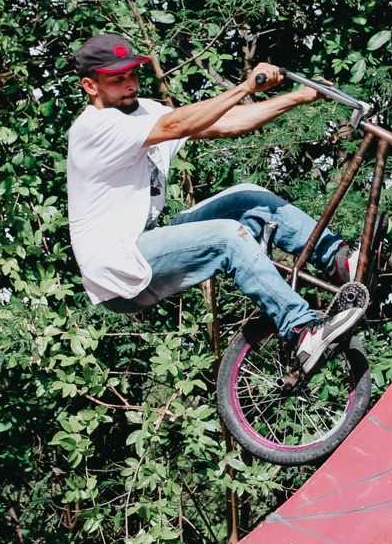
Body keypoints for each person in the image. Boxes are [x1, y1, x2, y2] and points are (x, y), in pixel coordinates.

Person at [65, 32, 366, 372]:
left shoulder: (143, 112)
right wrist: (245, 87)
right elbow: (177, 124)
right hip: (117, 269)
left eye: (133, 74)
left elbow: (226, 122)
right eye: (117, 80)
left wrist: (298, 97)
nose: (130, 84)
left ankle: (339, 261)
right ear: (90, 86)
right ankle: (302, 330)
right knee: (227, 236)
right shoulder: (93, 128)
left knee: (247, 198)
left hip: (147, 244)